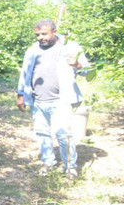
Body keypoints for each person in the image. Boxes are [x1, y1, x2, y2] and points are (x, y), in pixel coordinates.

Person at [16, 19, 90, 178]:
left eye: (44, 34)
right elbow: (25, 73)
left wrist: (77, 64)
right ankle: (48, 162)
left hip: (61, 100)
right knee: (42, 133)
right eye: (37, 34)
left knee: (63, 134)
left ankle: (70, 166)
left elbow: (88, 71)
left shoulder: (70, 47)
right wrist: (20, 94)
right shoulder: (32, 50)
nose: (40, 37)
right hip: (38, 100)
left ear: (54, 32)